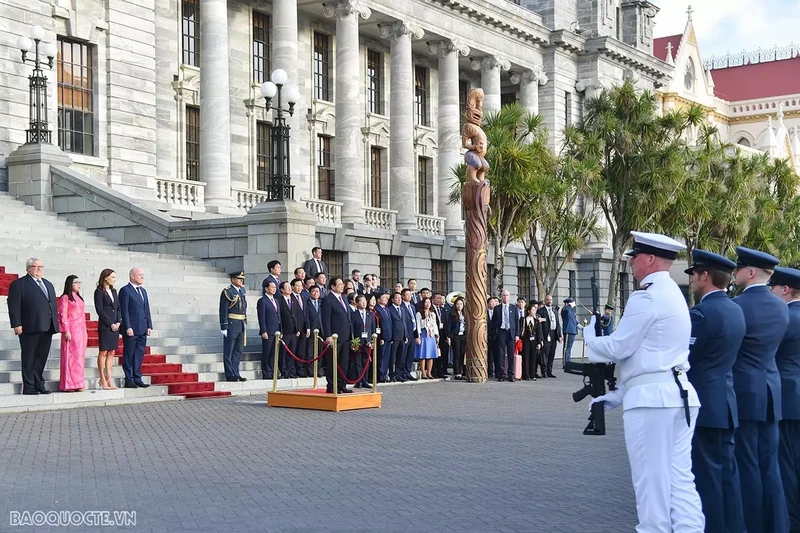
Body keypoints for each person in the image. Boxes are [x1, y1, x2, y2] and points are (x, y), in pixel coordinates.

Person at [584, 231, 704, 532]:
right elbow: (650, 355)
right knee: (680, 482)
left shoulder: (647, 296)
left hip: (653, 403)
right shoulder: (673, 293)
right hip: (677, 396)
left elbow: (620, 347)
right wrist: (619, 393)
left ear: (650, 259)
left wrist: (590, 338)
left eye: (635, 256)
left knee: (651, 483)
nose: (632, 262)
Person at [684, 249, 746, 533]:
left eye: (694, 275)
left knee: (706, 478)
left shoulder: (701, 312)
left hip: (705, 406)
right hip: (727, 404)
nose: (693, 281)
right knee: (728, 477)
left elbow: (687, 358)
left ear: (705, 276)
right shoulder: (736, 309)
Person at [731, 246, 790, 533]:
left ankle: (751, 525)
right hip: (771, 391)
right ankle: (777, 525)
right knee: (770, 465)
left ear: (751, 272)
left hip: (744, 393)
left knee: (747, 464)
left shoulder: (738, 306)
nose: (736, 272)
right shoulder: (781, 306)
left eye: (739, 268)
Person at [767, 267, 800, 532]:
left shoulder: (786, 319)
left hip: (788, 401)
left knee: (787, 466)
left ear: (785, 289)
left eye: (773, 288)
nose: (771, 293)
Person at [7, 257, 59, 395]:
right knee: (29, 358)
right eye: (35, 266)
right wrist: (16, 324)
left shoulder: (48, 284)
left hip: (47, 326)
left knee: (41, 358)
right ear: (28, 268)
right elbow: (13, 305)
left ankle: (39, 384)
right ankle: (29, 387)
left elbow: (51, 304)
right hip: (29, 327)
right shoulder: (19, 284)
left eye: (41, 267)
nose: (38, 269)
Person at [119, 267, 152, 388]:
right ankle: (129, 378)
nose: (142, 277)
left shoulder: (143, 291)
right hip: (131, 329)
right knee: (129, 353)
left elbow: (146, 309)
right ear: (132, 276)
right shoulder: (125, 290)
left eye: (143, 274)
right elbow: (124, 310)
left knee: (139, 354)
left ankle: (137, 377)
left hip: (142, 328)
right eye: (140, 275)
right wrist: (127, 326)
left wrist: (149, 325)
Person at [321, 277, 352, 393]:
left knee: (344, 363)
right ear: (332, 286)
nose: (341, 286)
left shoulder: (344, 298)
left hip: (346, 336)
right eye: (339, 284)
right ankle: (331, 386)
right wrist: (328, 335)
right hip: (334, 336)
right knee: (333, 362)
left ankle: (341, 384)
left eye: (342, 284)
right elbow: (325, 319)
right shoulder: (327, 300)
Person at [57, 275, 87, 392]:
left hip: (81, 330)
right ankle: (68, 383)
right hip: (71, 330)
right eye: (75, 282)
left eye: (79, 282)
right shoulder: (65, 297)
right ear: (70, 284)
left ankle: (78, 382)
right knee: (70, 356)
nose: (78, 284)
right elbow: (63, 315)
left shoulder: (78, 298)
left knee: (79, 357)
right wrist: (66, 330)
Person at [93, 268, 121, 390]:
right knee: (103, 352)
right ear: (106, 278)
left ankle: (109, 378)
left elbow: (118, 308)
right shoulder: (99, 291)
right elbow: (100, 310)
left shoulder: (114, 291)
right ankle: (102, 379)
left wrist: (119, 322)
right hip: (105, 326)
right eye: (113, 277)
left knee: (112, 352)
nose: (114, 279)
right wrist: (110, 323)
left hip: (115, 326)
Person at [219, 271, 247, 383]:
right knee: (229, 350)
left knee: (238, 351)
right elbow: (223, 309)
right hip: (231, 323)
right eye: (239, 278)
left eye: (242, 279)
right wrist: (223, 326)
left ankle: (236, 372)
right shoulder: (228, 292)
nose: (241, 280)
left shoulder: (242, 291)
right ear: (232, 279)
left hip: (240, 323)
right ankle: (230, 374)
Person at [492, 290, 519, 382]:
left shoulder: (514, 308)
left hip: (511, 332)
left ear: (509, 297)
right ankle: (501, 374)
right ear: (501, 297)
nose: (505, 297)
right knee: (501, 354)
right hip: (501, 332)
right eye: (504, 295)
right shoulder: (497, 308)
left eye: (507, 295)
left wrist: (517, 335)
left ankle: (511, 374)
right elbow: (493, 322)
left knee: (511, 354)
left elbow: (517, 322)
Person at [257, 279, 281, 379]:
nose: (274, 289)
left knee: (274, 353)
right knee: (267, 352)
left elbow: (279, 317)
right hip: (268, 331)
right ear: (266, 288)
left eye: (275, 287)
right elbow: (261, 317)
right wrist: (263, 330)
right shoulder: (262, 301)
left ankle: (272, 371)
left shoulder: (275, 300)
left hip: (276, 331)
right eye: (272, 287)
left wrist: (281, 330)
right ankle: (266, 372)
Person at [350, 294, 375, 389]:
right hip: (357, 341)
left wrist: (372, 341)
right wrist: (353, 341)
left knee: (366, 361)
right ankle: (358, 381)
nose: (364, 303)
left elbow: (372, 329)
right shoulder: (353, 315)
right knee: (357, 362)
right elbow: (352, 328)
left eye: (365, 301)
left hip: (367, 341)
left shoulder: (370, 314)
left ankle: (365, 380)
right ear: (357, 303)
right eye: (361, 301)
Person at [277, 281, 300, 379]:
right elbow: (279, 317)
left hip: (294, 331)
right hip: (285, 331)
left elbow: (297, 315)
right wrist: (280, 330)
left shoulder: (293, 299)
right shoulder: (279, 300)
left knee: (292, 352)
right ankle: (284, 371)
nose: (290, 289)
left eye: (290, 287)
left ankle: (291, 371)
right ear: (282, 289)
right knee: (283, 353)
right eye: (287, 287)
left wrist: (298, 329)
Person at [536, 294, 562, 378]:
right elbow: (540, 324)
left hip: (554, 333)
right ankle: (544, 371)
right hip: (546, 334)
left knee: (552, 353)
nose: (549, 301)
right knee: (545, 354)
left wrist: (560, 335)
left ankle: (549, 371)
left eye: (550, 299)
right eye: (547, 299)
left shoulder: (554, 310)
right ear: (545, 300)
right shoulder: (541, 311)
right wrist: (541, 338)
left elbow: (558, 323)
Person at [414, 297, 439, 379]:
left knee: (430, 355)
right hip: (423, 334)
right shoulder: (419, 314)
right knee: (423, 355)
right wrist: (418, 336)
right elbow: (418, 325)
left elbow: (435, 325)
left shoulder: (433, 314)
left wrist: (436, 335)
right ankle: (423, 373)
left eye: (429, 302)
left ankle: (429, 372)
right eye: (426, 302)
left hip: (431, 335)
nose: (427, 304)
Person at [290, 278, 310, 377]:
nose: (299, 288)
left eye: (301, 286)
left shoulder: (304, 297)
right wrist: (296, 328)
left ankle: (300, 369)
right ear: (292, 287)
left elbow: (306, 314)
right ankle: (292, 370)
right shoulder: (290, 298)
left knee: (302, 350)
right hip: (294, 329)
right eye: (297, 286)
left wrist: (308, 327)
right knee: (293, 350)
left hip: (304, 328)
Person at [304, 284, 324, 377]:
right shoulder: (306, 302)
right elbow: (306, 317)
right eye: (314, 291)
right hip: (311, 330)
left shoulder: (322, 302)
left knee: (320, 351)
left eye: (317, 292)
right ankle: (310, 370)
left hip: (321, 331)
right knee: (310, 352)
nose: (316, 293)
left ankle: (318, 370)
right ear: (310, 293)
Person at [400, 289, 419, 381]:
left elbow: (415, 320)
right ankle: (402, 372)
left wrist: (416, 335)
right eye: (407, 294)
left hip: (413, 333)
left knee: (411, 354)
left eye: (410, 294)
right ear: (403, 296)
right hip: (406, 333)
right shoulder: (402, 306)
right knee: (404, 354)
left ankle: (408, 371)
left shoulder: (412, 306)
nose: (409, 296)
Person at [520, 302, 542, 381]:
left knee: (533, 358)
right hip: (526, 340)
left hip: (534, 341)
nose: (534, 311)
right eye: (532, 310)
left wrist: (539, 342)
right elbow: (521, 331)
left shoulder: (536, 320)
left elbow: (539, 332)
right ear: (529, 311)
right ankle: (526, 375)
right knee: (526, 357)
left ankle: (533, 374)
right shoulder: (524, 319)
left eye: (535, 310)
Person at [389, 292, 408, 382]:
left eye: (400, 298)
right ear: (392, 299)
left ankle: (398, 373)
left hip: (402, 337)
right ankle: (392, 374)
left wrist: (406, 335)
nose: (399, 300)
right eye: (397, 298)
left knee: (401, 357)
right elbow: (390, 324)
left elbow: (404, 323)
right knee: (393, 357)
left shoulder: (402, 309)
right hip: (394, 337)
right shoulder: (389, 309)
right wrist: (391, 337)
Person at [375, 292, 394, 383]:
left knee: (386, 357)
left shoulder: (386, 309)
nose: (386, 299)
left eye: (386, 298)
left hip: (389, 336)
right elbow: (379, 325)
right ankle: (380, 375)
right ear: (378, 300)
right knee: (381, 357)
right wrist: (380, 337)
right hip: (382, 337)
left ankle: (385, 374)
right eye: (383, 297)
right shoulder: (377, 309)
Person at [449, 298, 467, 380]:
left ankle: (463, 371)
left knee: (463, 354)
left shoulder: (465, 314)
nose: (459, 306)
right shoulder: (452, 314)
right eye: (457, 304)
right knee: (457, 354)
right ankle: (457, 372)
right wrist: (449, 336)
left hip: (463, 335)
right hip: (455, 335)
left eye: (460, 304)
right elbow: (449, 326)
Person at [432, 292, 449, 378]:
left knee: (443, 352)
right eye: (437, 298)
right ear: (433, 299)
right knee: (435, 353)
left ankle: (441, 371)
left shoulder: (443, 309)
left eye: (440, 298)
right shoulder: (431, 309)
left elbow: (446, 323)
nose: (439, 300)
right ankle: (434, 370)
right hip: (435, 333)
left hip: (443, 333)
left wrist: (447, 336)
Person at [561, 298, 578, 367]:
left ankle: (568, 361)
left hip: (573, 330)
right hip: (568, 330)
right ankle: (566, 362)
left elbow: (574, 320)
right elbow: (566, 310)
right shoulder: (566, 309)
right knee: (566, 347)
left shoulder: (571, 310)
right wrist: (569, 306)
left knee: (569, 347)